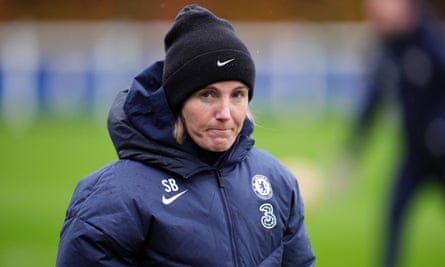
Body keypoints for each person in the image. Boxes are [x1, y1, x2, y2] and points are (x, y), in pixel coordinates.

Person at [56, 4, 316, 267]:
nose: (225, 112)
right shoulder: (115, 198)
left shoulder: (276, 181)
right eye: (208, 95)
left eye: (237, 94)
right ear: (176, 102)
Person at [350, 0, 445, 266]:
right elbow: (373, 103)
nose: (375, 14)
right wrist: (352, 152)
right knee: (393, 215)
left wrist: (439, 126)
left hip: (441, 155)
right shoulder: (388, 48)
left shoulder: (431, 42)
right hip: (413, 156)